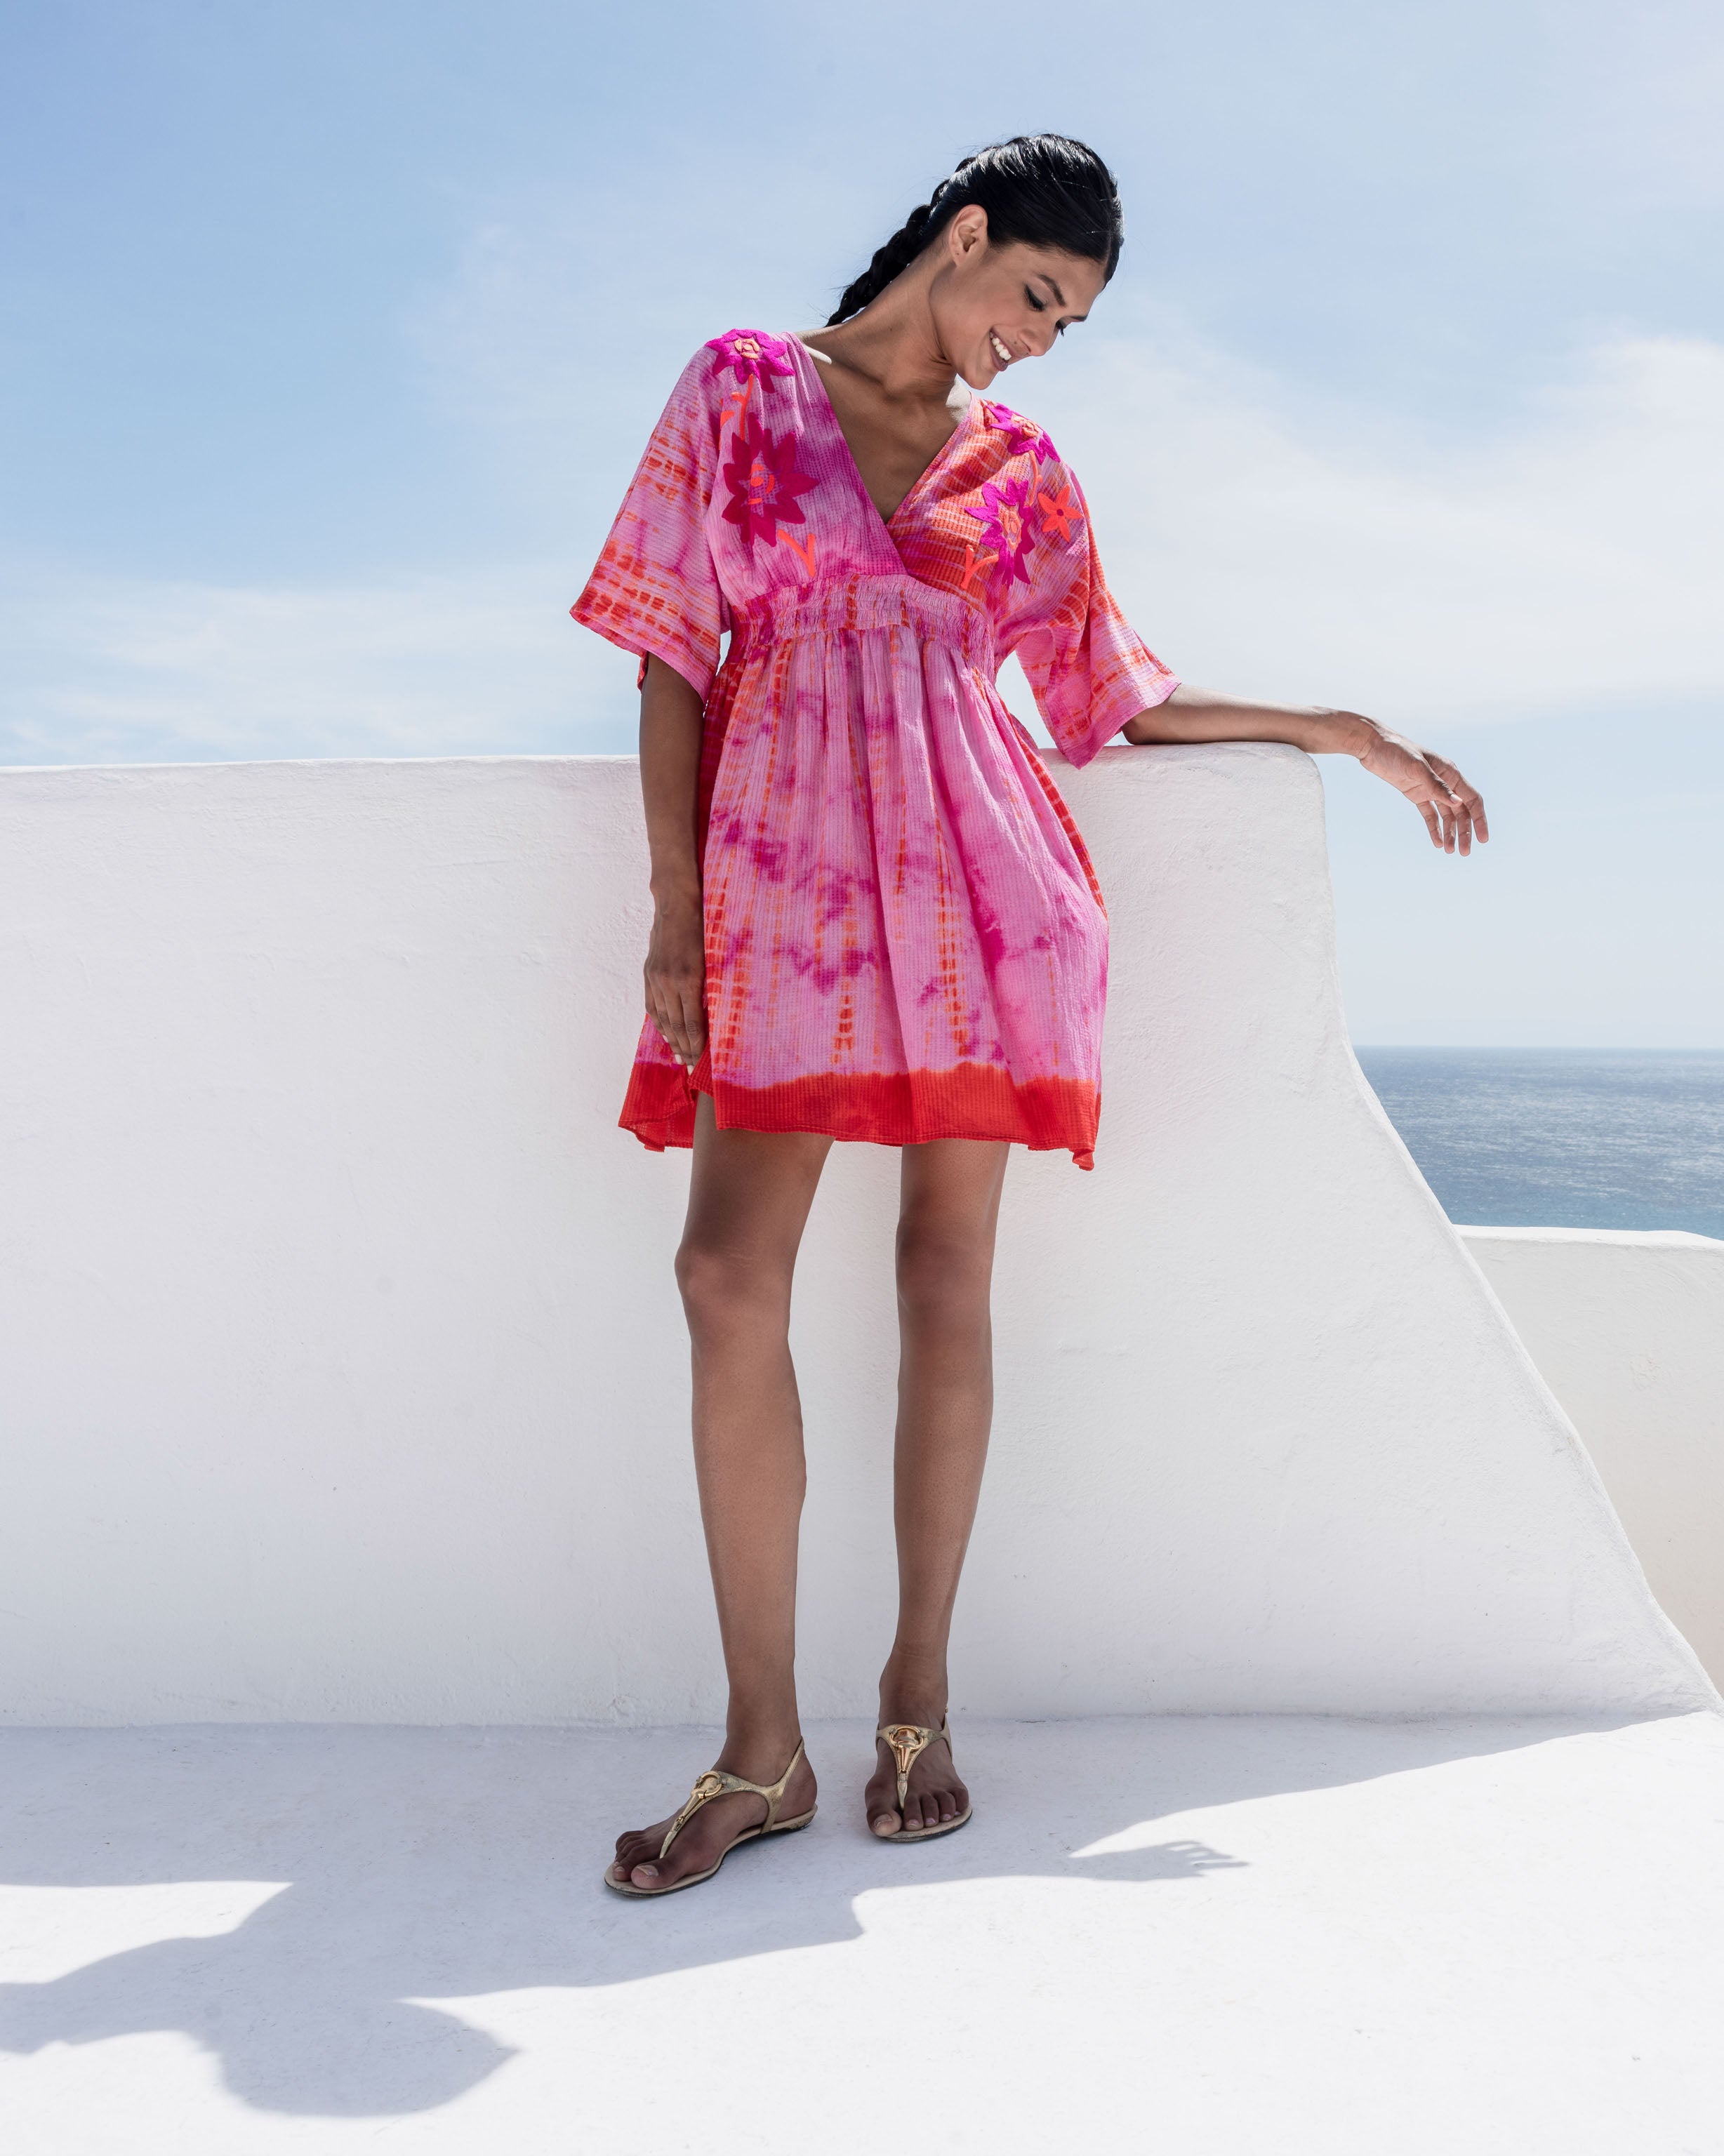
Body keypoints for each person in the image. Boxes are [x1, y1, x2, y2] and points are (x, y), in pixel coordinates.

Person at [572, 133, 1485, 1898]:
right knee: (724, 1275)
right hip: (779, 896)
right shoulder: (744, 387)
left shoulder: (1025, 470)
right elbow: (672, 651)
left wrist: (1341, 729)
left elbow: (1108, 697)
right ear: (967, 235)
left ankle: (916, 1699)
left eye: (1069, 326)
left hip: (977, 906)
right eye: (1038, 298)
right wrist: (675, 911)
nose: (1040, 341)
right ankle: (761, 1747)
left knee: (943, 1277)